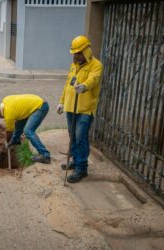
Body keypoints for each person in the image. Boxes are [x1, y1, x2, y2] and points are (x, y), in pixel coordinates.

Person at [57, 35, 103, 183]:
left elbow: (94, 79)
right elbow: (67, 85)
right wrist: (62, 102)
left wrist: (85, 86)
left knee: (80, 138)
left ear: (87, 50)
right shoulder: (74, 65)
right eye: (75, 53)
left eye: (79, 53)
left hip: (84, 110)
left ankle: (82, 169)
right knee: (73, 137)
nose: (77, 56)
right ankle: (76, 162)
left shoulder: (96, 65)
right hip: (71, 107)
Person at [0, 94, 51, 164]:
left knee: (28, 131)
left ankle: (45, 155)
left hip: (40, 107)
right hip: (37, 103)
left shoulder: (8, 115)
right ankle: (16, 140)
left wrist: (8, 143)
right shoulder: (6, 100)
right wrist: (12, 141)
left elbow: (9, 133)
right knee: (18, 124)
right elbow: (19, 110)